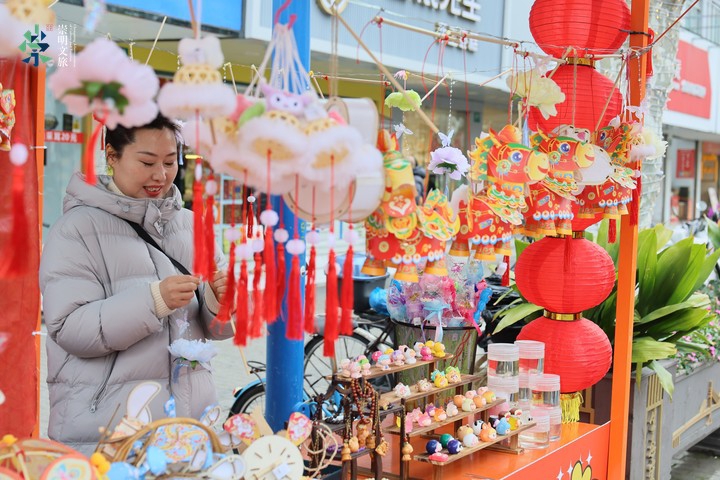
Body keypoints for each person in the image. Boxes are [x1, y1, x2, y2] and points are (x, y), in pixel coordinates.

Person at [39, 114, 232, 455]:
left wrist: (220, 301)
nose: (161, 175)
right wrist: (154, 301)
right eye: (147, 162)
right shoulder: (76, 230)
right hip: (108, 433)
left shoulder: (192, 226)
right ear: (112, 156)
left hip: (187, 429)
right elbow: (69, 328)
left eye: (170, 162)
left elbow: (217, 331)